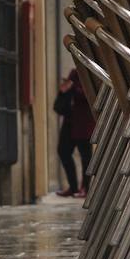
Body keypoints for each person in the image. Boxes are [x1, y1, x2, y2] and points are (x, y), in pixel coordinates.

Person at [54, 69, 95, 198]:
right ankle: (73, 186)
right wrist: (65, 89)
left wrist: (72, 89)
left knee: (86, 156)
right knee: (63, 151)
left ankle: (85, 188)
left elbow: (90, 94)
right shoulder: (74, 72)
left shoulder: (91, 71)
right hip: (70, 120)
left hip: (84, 121)